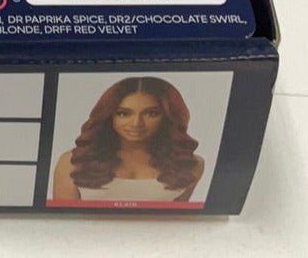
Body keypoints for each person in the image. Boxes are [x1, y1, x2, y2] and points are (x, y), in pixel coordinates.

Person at [52, 76, 205, 203]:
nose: (136, 123)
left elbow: (175, 222)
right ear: (109, 115)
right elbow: (64, 222)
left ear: (167, 117)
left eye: (151, 113)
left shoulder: (192, 165)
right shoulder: (72, 162)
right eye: (124, 114)